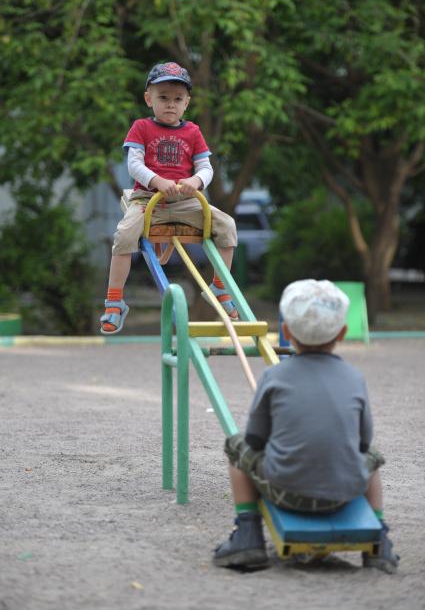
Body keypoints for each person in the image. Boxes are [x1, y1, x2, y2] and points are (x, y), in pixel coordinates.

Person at [213, 279, 399, 574]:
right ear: (343, 332)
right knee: (373, 458)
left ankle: (248, 534)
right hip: (343, 492)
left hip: (284, 490)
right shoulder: (354, 378)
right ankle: (380, 538)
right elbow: (363, 443)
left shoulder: (273, 376)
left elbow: (255, 440)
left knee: (236, 447)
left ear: (286, 332)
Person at [100, 61, 239, 334]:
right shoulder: (141, 127)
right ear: (148, 98)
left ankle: (220, 287)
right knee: (124, 234)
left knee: (227, 226)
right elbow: (134, 164)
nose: (170, 104)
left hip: (185, 201)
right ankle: (114, 302)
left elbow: (206, 168)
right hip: (147, 199)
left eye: (178, 99)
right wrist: (158, 181)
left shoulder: (193, 132)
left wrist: (194, 181)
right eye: (163, 97)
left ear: (187, 103)